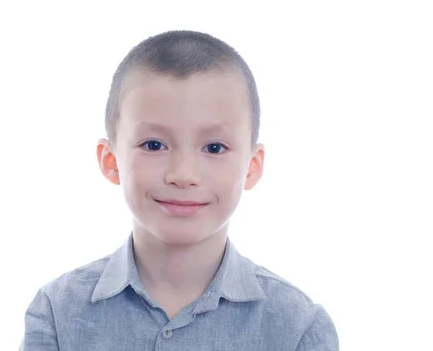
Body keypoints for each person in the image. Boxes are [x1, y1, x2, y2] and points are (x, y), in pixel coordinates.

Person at [20, 30, 339, 350]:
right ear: (111, 160)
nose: (183, 175)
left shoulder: (298, 328)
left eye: (214, 147)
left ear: (252, 166)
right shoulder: (58, 314)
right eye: (154, 145)